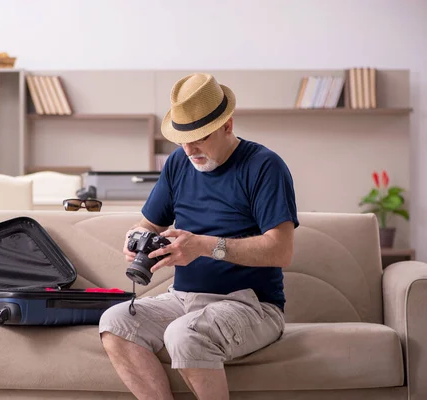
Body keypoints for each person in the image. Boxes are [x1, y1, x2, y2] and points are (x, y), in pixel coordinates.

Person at [98, 72, 299, 400]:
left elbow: (282, 250)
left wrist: (205, 246)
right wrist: (137, 236)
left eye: (200, 138)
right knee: (116, 322)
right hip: (183, 298)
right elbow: (149, 224)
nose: (189, 149)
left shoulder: (264, 166)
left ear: (227, 125)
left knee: (184, 334)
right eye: (182, 139)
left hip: (251, 305)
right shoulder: (179, 162)